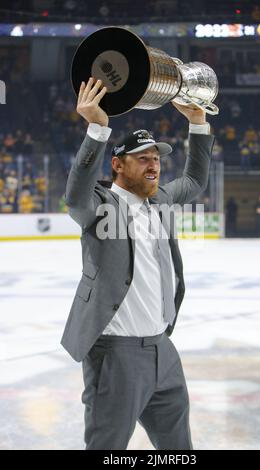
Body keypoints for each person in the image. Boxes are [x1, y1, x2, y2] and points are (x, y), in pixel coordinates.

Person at [60, 77, 215, 450]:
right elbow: (74, 195)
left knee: (179, 451)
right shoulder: (99, 206)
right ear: (118, 165)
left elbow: (193, 179)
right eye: (143, 158)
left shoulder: (159, 199)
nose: (154, 165)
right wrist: (97, 128)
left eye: (157, 158)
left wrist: (197, 122)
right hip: (116, 355)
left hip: (163, 349)